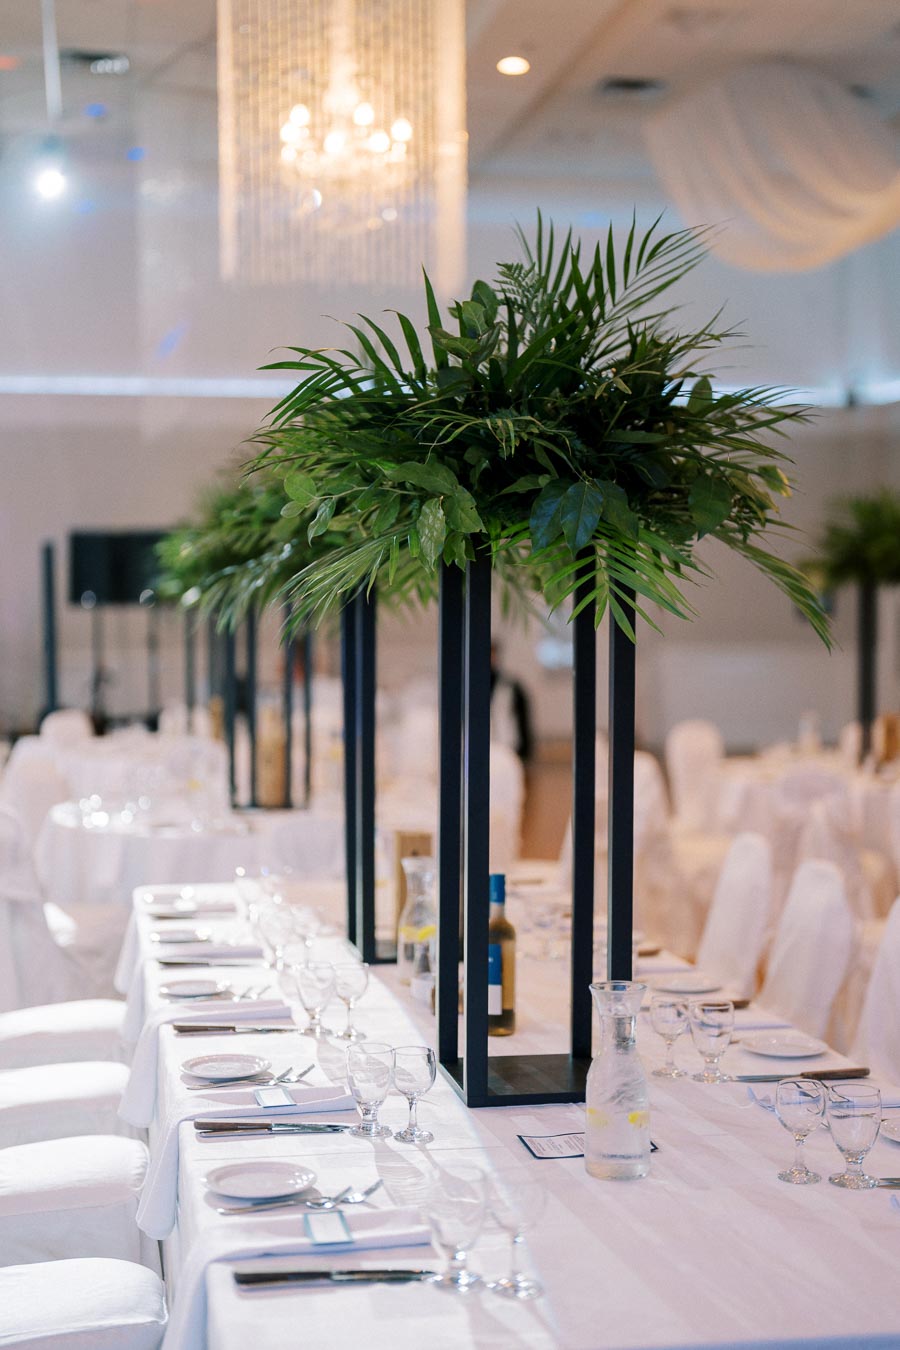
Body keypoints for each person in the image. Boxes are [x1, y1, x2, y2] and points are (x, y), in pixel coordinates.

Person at [490, 642, 534, 763]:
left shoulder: (511, 686)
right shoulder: (472, 688)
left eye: (492, 655)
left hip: (508, 747)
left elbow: (523, 719)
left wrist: (526, 750)